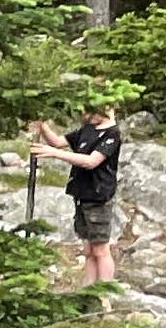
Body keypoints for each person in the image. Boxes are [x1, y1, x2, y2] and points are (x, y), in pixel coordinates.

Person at [31, 101, 124, 290]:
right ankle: (88, 290)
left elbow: (91, 161)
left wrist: (54, 154)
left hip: (98, 197)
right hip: (82, 194)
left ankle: (105, 293)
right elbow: (57, 142)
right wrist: (42, 126)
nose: (88, 116)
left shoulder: (112, 134)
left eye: (93, 112)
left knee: (100, 249)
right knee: (89, 249)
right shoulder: (87, 129)